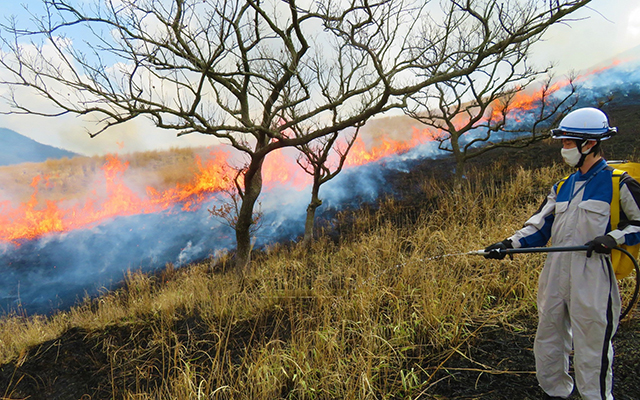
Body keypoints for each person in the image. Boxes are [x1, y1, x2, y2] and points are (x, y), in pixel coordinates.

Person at [484, 107, 640, 400]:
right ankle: (555, 392)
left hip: (593, 274)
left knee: (592, 343)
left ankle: (595, 397)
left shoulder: (619, 183)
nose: (564, 148)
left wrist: (613, 238)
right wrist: (507, 244)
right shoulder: (562, 187)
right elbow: (539, 226)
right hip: (555, 272)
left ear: (589, 143)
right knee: (549, 338)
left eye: (568, 142)